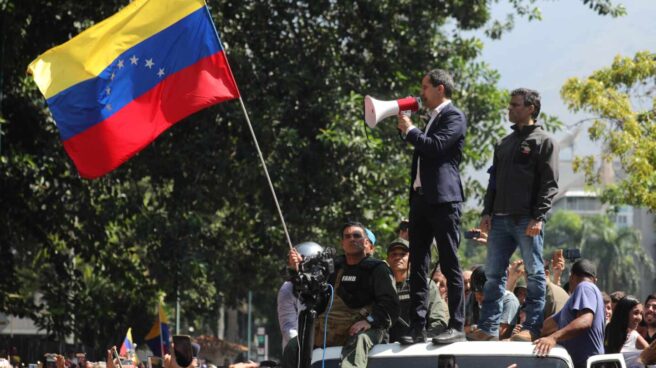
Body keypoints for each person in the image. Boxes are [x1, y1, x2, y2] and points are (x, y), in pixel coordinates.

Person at [476, 88, 559, 342]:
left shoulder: (544, 141)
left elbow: (549, 183)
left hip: (527, 219)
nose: (510, 109)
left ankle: (532, 327)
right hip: (499, 218)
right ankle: (488, 328)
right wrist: (487, 212)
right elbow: (493, 182)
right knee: (493, 274)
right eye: (510, 105)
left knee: (534, 274)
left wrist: (539, 216)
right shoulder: (504, 143)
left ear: (531, 108)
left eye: (515, 105)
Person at [396, 69, 467, 345]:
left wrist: (411, 130)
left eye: (425, 87)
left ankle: (457, 325)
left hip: (443, 200)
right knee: (418, 265)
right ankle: (418, 325)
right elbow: (423, 147)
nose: (421, 93)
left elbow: (435, 147)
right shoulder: (432, 118)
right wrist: (408, 130)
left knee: (449, 262)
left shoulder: (454, 116)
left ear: (440, 88)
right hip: (421, 200)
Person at [281, 222, 399, 368]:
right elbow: (308, 292)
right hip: (331, 327)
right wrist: (296, 270)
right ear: (342, 243)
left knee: (359, 342)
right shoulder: (334, 267)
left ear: (366, 242)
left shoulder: (378, 269)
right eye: (347, 236)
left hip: (365, 328)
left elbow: (390, 306)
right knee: (294, 346)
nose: (352, 239)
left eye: (357, 236)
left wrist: (369, 321)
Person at [533, 259, 605, 368]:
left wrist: (553, 338)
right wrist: (530, 332)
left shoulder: (585, 286)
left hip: (586, 364)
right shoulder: (574, 301)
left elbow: (585, 321)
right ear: (595, 279)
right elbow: (551, 324)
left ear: (571, 277)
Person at [385, 238, 448, 342]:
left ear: (411, 258)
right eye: (393, 254)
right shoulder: (382, 285)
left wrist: (427, 340)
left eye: (402, 254)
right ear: (387, 259)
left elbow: (438, 320)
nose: (397, 257)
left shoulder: (425, 284)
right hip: (388, 346)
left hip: (419, 345)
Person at [277, 242, 320, 349]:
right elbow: (288, 328)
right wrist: (304, 347)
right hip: (299, 353)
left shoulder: (328, 287)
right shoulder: (288, 289)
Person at [466, 265, 520, 340]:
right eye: (476, 292)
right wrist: (472, 328)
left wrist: (472, 330)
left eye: (482, 293)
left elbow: (499, 332)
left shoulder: (509, 300)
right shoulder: (472, 297)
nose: (477, 297)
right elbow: (461, 328)